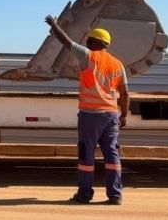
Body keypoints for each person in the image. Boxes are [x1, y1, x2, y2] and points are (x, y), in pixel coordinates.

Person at [44, 14, 129, 205]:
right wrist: (123, 115)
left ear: (94, 41)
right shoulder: (118, 64)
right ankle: (115, 196)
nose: (87, 42)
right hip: (111, 116)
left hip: (90, 116)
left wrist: (54, 24)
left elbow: (66, 41)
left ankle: (84, 195)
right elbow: (125, 93)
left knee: (86, 154)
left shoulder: (88, 55)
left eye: (89, 39)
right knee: (112, 155)